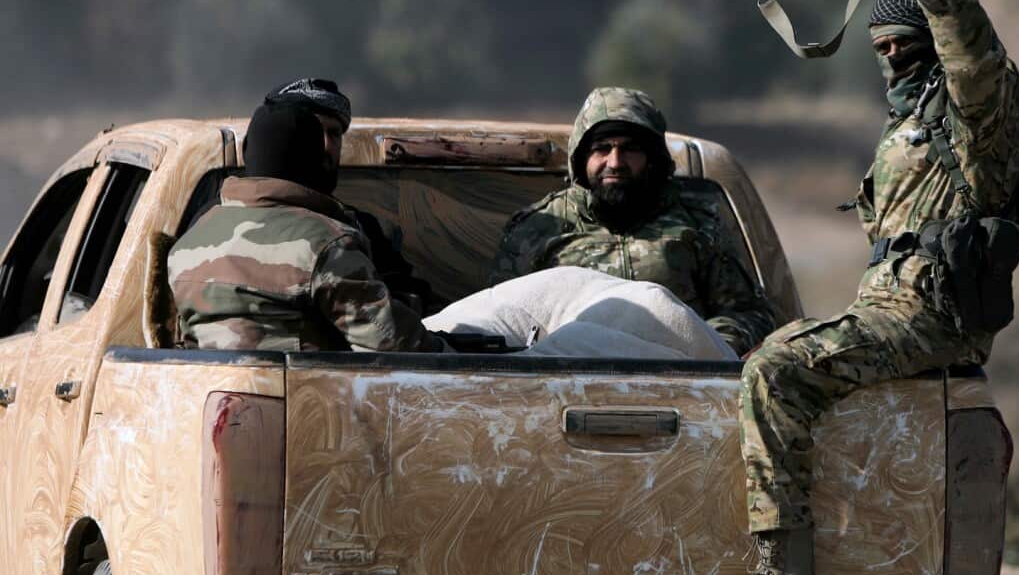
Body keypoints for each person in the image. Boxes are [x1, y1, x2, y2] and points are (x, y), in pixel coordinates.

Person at [724, 0, 1019, 575]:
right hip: (890, 309)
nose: (893, 58)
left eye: (905, 45)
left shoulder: (976, 115)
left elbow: (971, 54)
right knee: (768, 352)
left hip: (933, 315)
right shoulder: (906, 127)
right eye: (882, 49)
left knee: (776, 370)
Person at [489, 86, 775, 355]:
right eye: (602, 149)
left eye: (630, 149)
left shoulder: (698, 225)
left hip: (677, 380)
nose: (615, 162)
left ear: (652, 158)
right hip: (564, 380)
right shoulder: (538, 229)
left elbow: (748, 315)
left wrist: (701, 350)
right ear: (581, 158)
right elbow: (499, 322)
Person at [168, 80, 443, 352]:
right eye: (313, 133)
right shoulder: (331, 241)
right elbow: (394, 342)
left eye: (334, 133)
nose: (326, 145)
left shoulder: (193, 239)